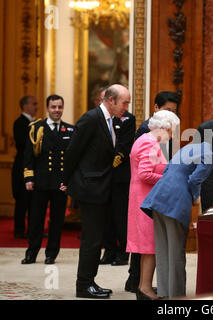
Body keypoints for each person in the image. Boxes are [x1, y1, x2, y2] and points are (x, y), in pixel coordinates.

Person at [140, 137, 213, 298]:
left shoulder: (191, 147)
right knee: (176, 250)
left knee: (163, 249)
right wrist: (196, 196)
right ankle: (176, 295)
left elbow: (168, 170)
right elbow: (194, 179)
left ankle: (164, 293)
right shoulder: (209, 155)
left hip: (159, 196)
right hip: (176, 201)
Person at [63, 84, 130, 299]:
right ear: (111, 100)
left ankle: (90, 281)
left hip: (101, 187)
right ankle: (83, 286)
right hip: (90, 188)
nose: (126, 107)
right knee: (91, 240)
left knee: (96, 239)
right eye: (124, 102)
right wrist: (66, 181)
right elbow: (73, 152)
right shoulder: (91, 119)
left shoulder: (111, 121)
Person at [125, 90, 180, 293]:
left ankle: (143, 286)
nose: (173, 135)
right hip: (145, 200)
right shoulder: (148, 142)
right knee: (149, 248)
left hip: (148, 198)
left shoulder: (151, 141)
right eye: (172, 130)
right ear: (163, 127)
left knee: (151, 247)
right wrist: (169, 178)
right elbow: (145, 174)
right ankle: (145, 289)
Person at [21, 95, 74, 264]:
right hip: (40, 182)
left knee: (57, 221)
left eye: (59, 107)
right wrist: (29, 178)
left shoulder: (70, 130)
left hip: (60, 184)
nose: (57, 110)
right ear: (47, 108)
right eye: (53, 107)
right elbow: (28, 156)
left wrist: (69, 181)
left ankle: (51, 254)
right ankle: (32, 252)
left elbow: (72, 159)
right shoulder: (36, 128)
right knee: (36, 220)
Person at [99, 89, 136, 267]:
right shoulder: (97, 118)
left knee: (120, 216)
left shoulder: (128, 118)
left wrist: (108, 165)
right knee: (105, 216)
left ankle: (122, 252)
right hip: (102, 176)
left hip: (119, 175)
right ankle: (108, 250)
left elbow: (124, 146)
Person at [12, 96, 38, 238]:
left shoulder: (35, 123)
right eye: (34, 104)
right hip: (22, 167)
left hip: (33, 167)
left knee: (33, 201)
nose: (36, 107)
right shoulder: (20, 123)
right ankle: (19, 230)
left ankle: (33, 230)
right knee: (22, 199)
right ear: (25, 106)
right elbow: (23, 143)